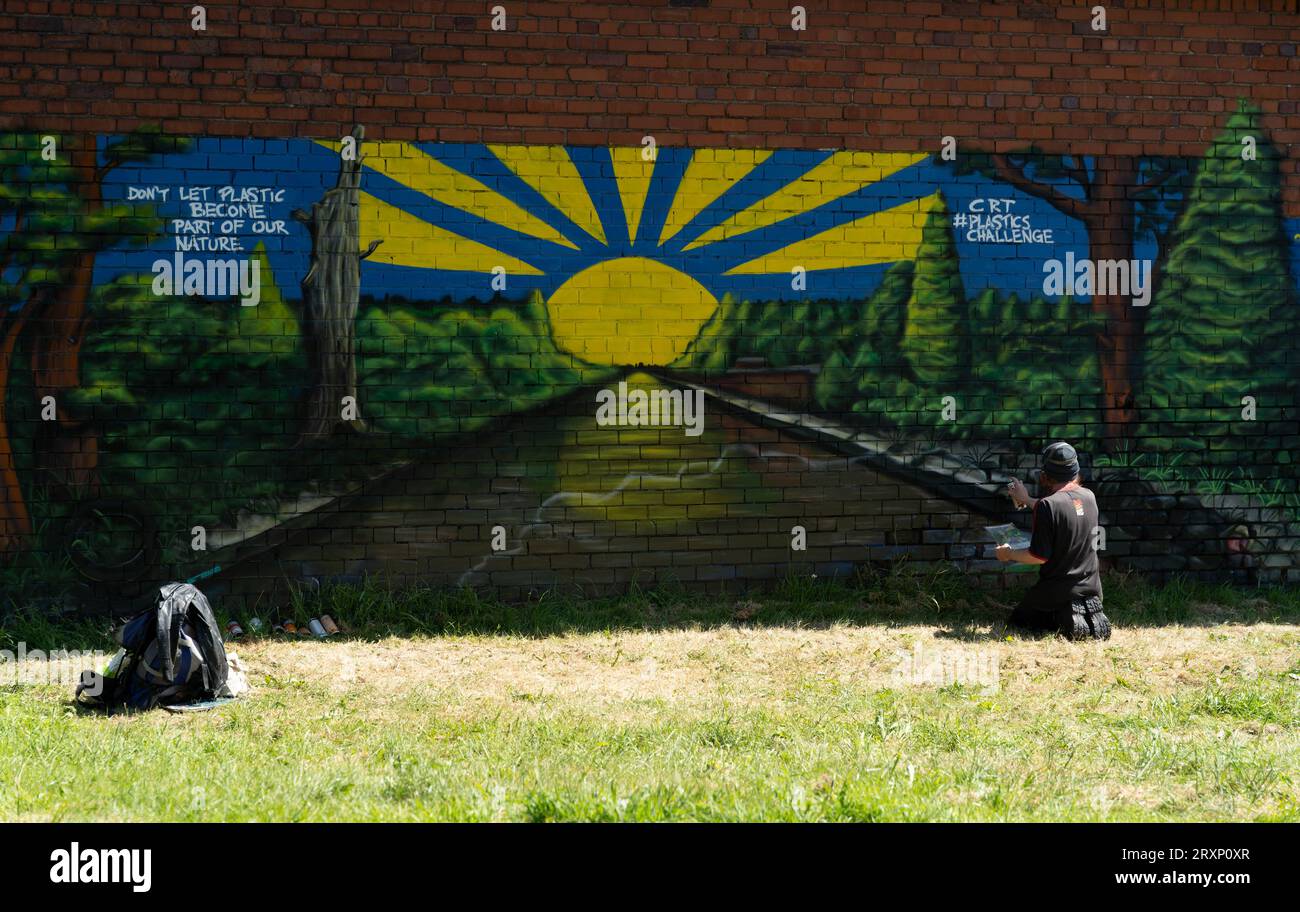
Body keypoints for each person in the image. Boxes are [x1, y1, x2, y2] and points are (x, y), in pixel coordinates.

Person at [996, 441, 1112, 640]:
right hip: (1092, 587)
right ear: (1075, 471)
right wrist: (1027, 499)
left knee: (1019, 620)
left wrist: (1008, 554)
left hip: (1057, 591)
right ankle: (1083, 611)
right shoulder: (1089, 497)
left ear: (1045, 475)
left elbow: (1038, 556)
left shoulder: (1047, 506)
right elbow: (1063, 510)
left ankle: (1064, 616)